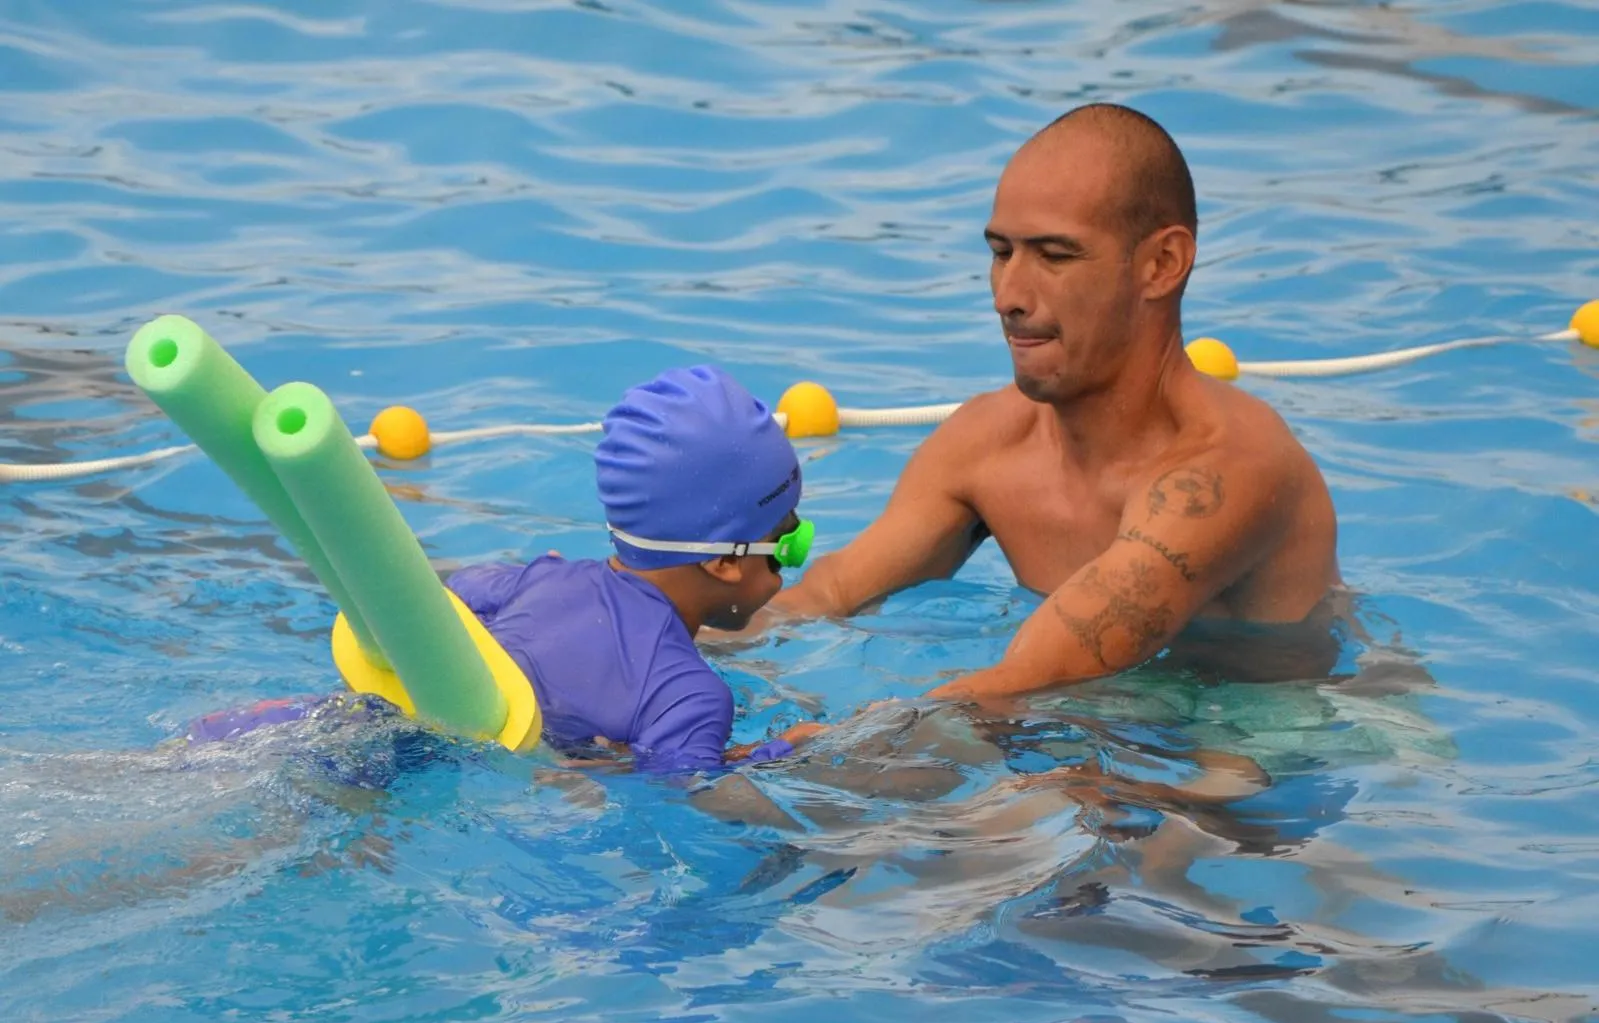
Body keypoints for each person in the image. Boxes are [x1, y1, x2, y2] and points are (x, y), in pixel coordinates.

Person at [768, 103, 1342, 700]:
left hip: (1278, 729)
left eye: (1056, 256)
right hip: (1108, 714)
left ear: (1162, 264)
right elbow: (826, 596)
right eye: (1001, 252)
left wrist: (814, 756)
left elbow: (1028, 682)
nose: (1008, 297)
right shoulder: (987, 443)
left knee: (1029, 791)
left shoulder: (1225, 471)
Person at [193, 366, 813, 774]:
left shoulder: (536, 578)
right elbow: (683, 796)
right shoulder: (689, 695)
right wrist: (775, 755)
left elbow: (439, 600)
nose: (793, 561)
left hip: (333, 721)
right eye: (789, 541)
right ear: (723, 563)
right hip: (412, 776)